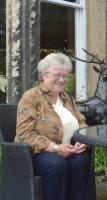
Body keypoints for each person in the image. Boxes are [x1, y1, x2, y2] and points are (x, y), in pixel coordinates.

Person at [15, 53, 90, 200]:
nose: (62, 80)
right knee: (57, 164)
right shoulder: (31, 97)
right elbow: (24, 134)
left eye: (65, 76)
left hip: (69, 150)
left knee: (82, 161)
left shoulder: (66, 97)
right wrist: (55, 148)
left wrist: (83, 140)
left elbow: (81, 122)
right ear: (44, 75)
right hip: (39, 154)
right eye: (57, 75)